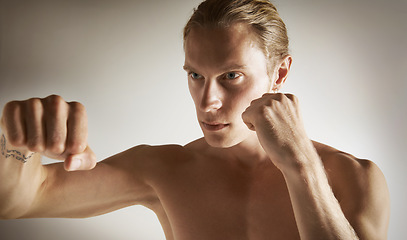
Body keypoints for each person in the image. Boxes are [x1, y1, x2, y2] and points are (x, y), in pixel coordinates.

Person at [0, 0, 390, 239]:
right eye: (195, 75)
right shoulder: (166, 171)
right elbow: (20, 200)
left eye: (231, 76)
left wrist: (300, 164)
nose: (207, 102)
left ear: (280, 73)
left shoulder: (354, 178)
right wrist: (14, 141)